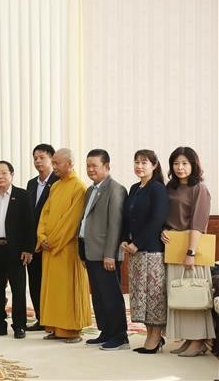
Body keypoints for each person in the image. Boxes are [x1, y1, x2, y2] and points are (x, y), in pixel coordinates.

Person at [161, 147, 214, 357]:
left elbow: (198, 224)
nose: (180, 167)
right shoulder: (170, 188)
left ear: (193, 165)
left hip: (192, 249)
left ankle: (199, 340)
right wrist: (163, 229)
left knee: (195, 294)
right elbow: (166, 216)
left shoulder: (199, 188)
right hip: (173, 248)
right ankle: (188, 339)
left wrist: (190, 253)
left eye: (184, 163)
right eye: (176, 163)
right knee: (180, 295)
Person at [36, 148, 91, 343]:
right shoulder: (56, 186)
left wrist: (54, 241)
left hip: (66, 248)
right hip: (50, 248)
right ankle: (55, 327)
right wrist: (41, 236)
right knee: (52, 290)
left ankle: (71, 330)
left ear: (69, 164)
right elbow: (45, 214)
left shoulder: (79, 188)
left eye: (57, 163)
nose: (54, 167)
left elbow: (72, 221)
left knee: (67, 291)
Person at [0, 161, 35, 339]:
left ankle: (20, 326)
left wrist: (28, 248)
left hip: (16, 250)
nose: (0, 176)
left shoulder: (23, 195)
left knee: (18, 290)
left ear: (12, 175)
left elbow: (30, 225)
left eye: (4, 173)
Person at [78, 149, 129, 350]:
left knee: (111, 295)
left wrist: (110, 254)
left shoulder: (115, 189)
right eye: (88, 165)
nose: (90, 169)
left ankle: (119, 335)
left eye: (95, 166)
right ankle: (106, 331)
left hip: (105, 254)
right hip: (90, 251)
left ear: (107, 167)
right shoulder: (90, 190)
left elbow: (115, 225)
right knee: (98, 296)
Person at [120, 149, 169, 354]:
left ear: (154, 165)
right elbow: (126, 217)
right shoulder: (134, 188)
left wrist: (137, 243)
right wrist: (125, 239)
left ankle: (156, 338)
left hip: (152, 251)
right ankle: (150, 335)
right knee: (141, 295)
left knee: (154, 295)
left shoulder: (157, 189)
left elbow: (156, 220)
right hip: (135, 251)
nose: (139, 166)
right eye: (137, 162)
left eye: (145, 162)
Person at [25, 144, 58, 331]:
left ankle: (53, 319)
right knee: (35, 281)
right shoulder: (31, 183)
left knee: (51, 283)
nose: (38, 161)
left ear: (52, 160)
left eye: (42, 157)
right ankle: (41, 318)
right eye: (35, 158)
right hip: (33, 243)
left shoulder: (59, 182)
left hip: (50, 242)